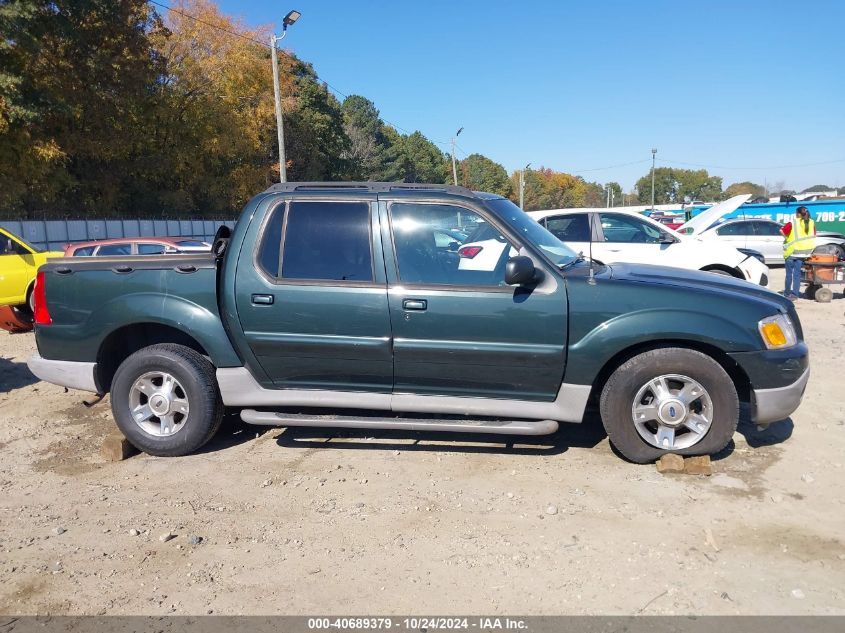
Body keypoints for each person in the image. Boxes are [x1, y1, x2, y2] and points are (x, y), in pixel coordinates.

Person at [781, 206, 816, 300]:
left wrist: (787, 238)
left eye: (796, 213)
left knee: (789, 274)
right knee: (797, 275)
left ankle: (787, 293)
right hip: (803, 253)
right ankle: (795, 295)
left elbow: (782, 230)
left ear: (798, 214)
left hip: (792, 252)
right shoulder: (811, 222)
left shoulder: (793, 222)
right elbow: (813, 235)